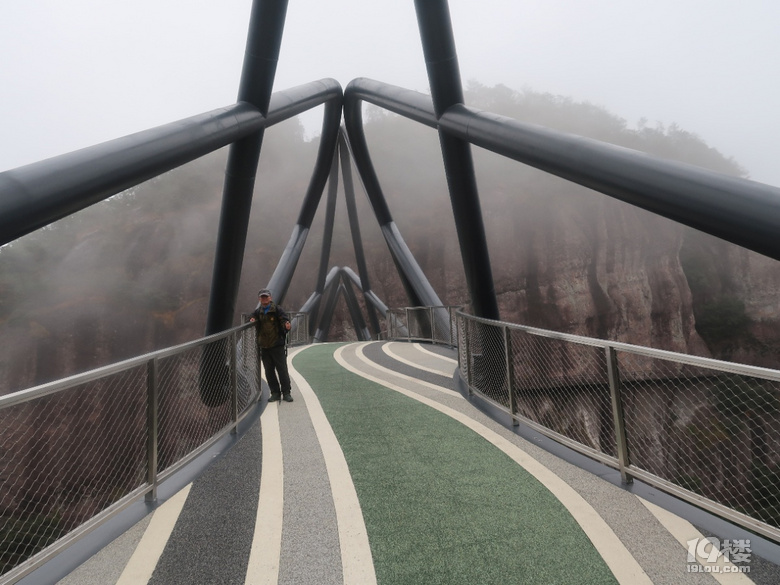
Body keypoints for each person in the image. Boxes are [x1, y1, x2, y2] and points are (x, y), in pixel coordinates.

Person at [249, 288, 293, 402]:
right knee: (269, 371)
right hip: (264, 347)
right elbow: (250, 316)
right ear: (259, 299)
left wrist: (287, 325)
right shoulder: (258, 312)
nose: (264, 299)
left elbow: (284, 319)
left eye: (266, 297)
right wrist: (252, 318)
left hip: (277, 344)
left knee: (282, 369)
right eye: (262, 297)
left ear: (270, 298)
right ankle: (275, 393)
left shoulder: (277, 309)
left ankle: (286, 392)